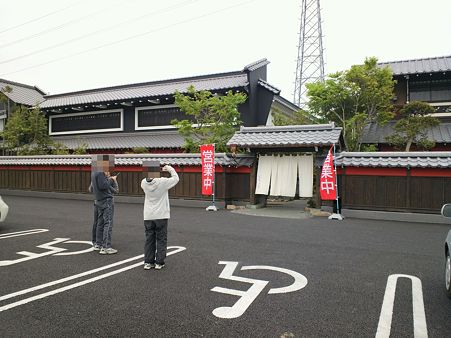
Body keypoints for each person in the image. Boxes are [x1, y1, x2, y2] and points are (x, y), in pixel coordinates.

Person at [141, 161, 179, 270]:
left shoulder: (143, 182)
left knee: (149, 239)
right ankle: (159, 262)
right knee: (161, 239)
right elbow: (176, 178)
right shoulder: (162, 182)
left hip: (148, 215)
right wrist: (169, 168)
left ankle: (148, 262)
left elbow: (149, 181)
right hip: (161, 215)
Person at [90, 154, 119, 255]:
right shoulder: (100, 172)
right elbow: (104, 185)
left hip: (98, 200)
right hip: (106, 201)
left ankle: (98, 244)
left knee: (100, 223)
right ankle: (106, 247)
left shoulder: (93, 172)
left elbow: (91, 188)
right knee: (108, 223)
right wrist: (111, 179)